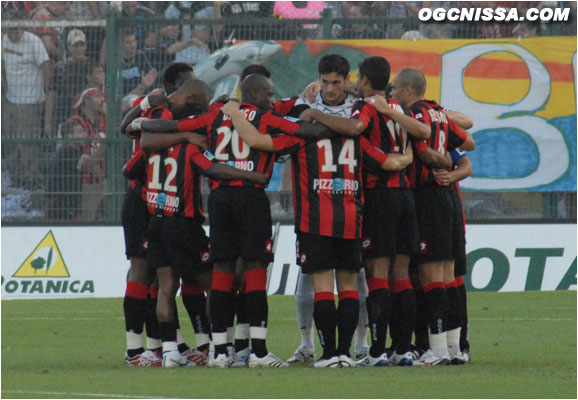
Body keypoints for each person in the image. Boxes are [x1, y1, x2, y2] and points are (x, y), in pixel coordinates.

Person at [128, 74, 330, 368]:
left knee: (221, 271)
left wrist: (140, 124)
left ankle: (219, 352)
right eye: (269, 94)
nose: (272, 99)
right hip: (251, 197)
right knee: (255, 271)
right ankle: (258, 352)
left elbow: (172, 127)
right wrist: (324, 121)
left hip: (220, 200)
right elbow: (306, 132)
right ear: (254, 93)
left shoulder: (213, 117)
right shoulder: (265, 118)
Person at [222, 95, 413, 367]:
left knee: (322, 288)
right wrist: (408, 155)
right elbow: (391, 164)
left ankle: (328, 355)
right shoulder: (357, 140)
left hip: (315, 223)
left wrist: (236, 115)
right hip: (350, 220)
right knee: (349, 288)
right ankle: (346, 354)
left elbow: (255, 141)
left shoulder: (301, 139)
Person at [123, 81, 270, 368]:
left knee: (166, 286)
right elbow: (214, 168)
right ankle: (219, 348)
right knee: (218, 283)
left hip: (156, 220)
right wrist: (252, 177)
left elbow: (128, 168)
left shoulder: (153, 147)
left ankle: (169, 354)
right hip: (183, 224)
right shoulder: (192, 149)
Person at [298, 56, 432, 367]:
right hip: (405, 197)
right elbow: (423, 133)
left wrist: (316, 112)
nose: (354, 85)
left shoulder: (368, 106)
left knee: (378, 276)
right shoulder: (399, 106)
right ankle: (402, 349)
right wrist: (404, 159)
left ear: (366, 82)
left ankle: (376, 351)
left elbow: (356, 128)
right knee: (401, 276)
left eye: (358, 80)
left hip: (378, 197)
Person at [284, 54, 372, 364]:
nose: (330, 88)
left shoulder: (355, 108)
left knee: (351, 282)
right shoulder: (301, 104)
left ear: (347, 80)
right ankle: (317, 348)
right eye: (325, 82)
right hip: (315, 212)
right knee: (315, 283)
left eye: (337, 82)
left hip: (349, 210)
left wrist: (316, 115)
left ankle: (346, 351)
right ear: (318, 79)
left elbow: (355, 123)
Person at [120, 63, 205, 367]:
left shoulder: (181, 115)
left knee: (167, 277)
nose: (191, 89)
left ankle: (168, 345)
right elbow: (128, 129)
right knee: (144, 274)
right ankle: (136, 350)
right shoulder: (159, 112)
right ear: (172, 87)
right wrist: (146, 103)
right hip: (142, 201)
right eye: (186, 84)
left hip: (163, 204)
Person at [389, 67, 475, 366]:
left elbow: (423, 150)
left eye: (396, 89)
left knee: (430, 275)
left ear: (408, 90)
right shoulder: (438, 114)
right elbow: (468, 142)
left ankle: (436, 349)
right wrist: (448, 164)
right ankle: (453, 348)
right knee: (447, 276)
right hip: (445, 198)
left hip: (425, 196)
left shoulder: (416, 117)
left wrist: (437, 160)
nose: (392, 94)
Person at [432, 149, 473, 364]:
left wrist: (452, 175)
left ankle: (457, 345)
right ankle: (435, 346)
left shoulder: (440, 124)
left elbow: (468, 140)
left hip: (446, 208)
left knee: (450, 275)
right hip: (430, 205)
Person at [1, 11, 50, 189]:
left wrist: (45, 91)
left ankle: (32, 179)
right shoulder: (4, 40)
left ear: (23, 27)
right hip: (11, 99)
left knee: (27, 142)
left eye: (16, 31)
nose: (13, 35)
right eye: (10, 31)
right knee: (10, 140)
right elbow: (3, 62)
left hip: (30, 101)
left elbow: (45, 66)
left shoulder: (33, 42)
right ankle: (16, 177)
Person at [45, 29, 97, 138]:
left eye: (81, 45)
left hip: (87, 120)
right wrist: (48, 123)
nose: (79, 49)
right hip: (64, 118)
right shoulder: (60, 67)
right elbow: (52, 96)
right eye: (75, 45)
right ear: (68, 46)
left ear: (86, 46)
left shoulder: (92, 65)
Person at [67, 88, 107, 221]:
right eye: (96, 97)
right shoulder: (76, 122)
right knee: (86, 220)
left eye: (101, 97)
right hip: (85, 182)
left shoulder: (102, 120)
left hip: (104, 179)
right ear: (86, 101)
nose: (101, 100)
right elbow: (75, 153)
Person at [47, 119, 85, 220]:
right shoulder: (67, 152)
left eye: (83, 131)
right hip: (61, 206)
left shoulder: (75, 151)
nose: (84, 134)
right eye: (80, 132)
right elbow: (84, 164)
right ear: (69, 135)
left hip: (69, 204)